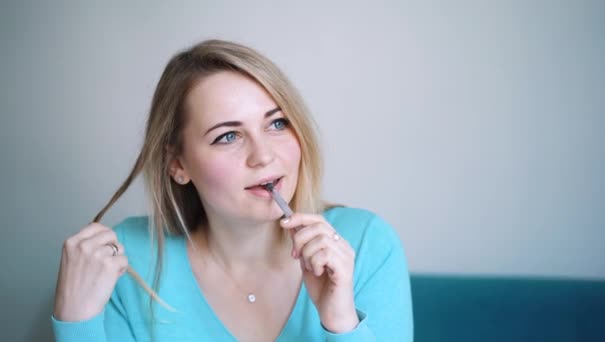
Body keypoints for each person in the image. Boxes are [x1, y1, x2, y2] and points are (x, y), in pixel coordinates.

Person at [52, 39, 413, 341]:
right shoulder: (124, 260)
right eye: (228, 136)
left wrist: (341, 322)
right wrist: (76, 320)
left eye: (276, 123)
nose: (264, 155)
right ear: (178, 164)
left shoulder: (366, 243)